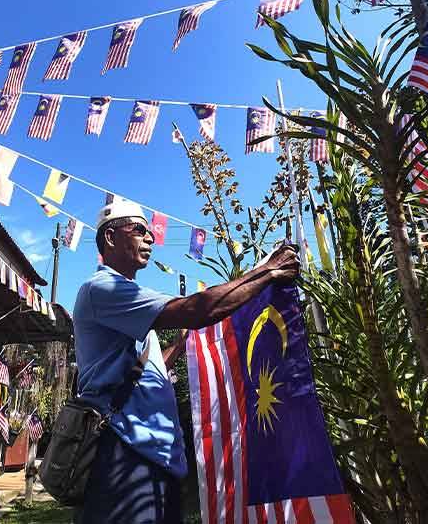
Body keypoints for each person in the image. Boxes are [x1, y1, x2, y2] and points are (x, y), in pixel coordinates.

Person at [72, 199, 300, 524]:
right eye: (139, 230)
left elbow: (145, 370)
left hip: (154, 454)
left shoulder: (128, 299)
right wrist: (267, 271)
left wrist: (177, 348)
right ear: (110, 237)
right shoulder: (103, 288)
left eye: (150, 231)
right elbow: (197, 309)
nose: (150, 237)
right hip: (125, 450)